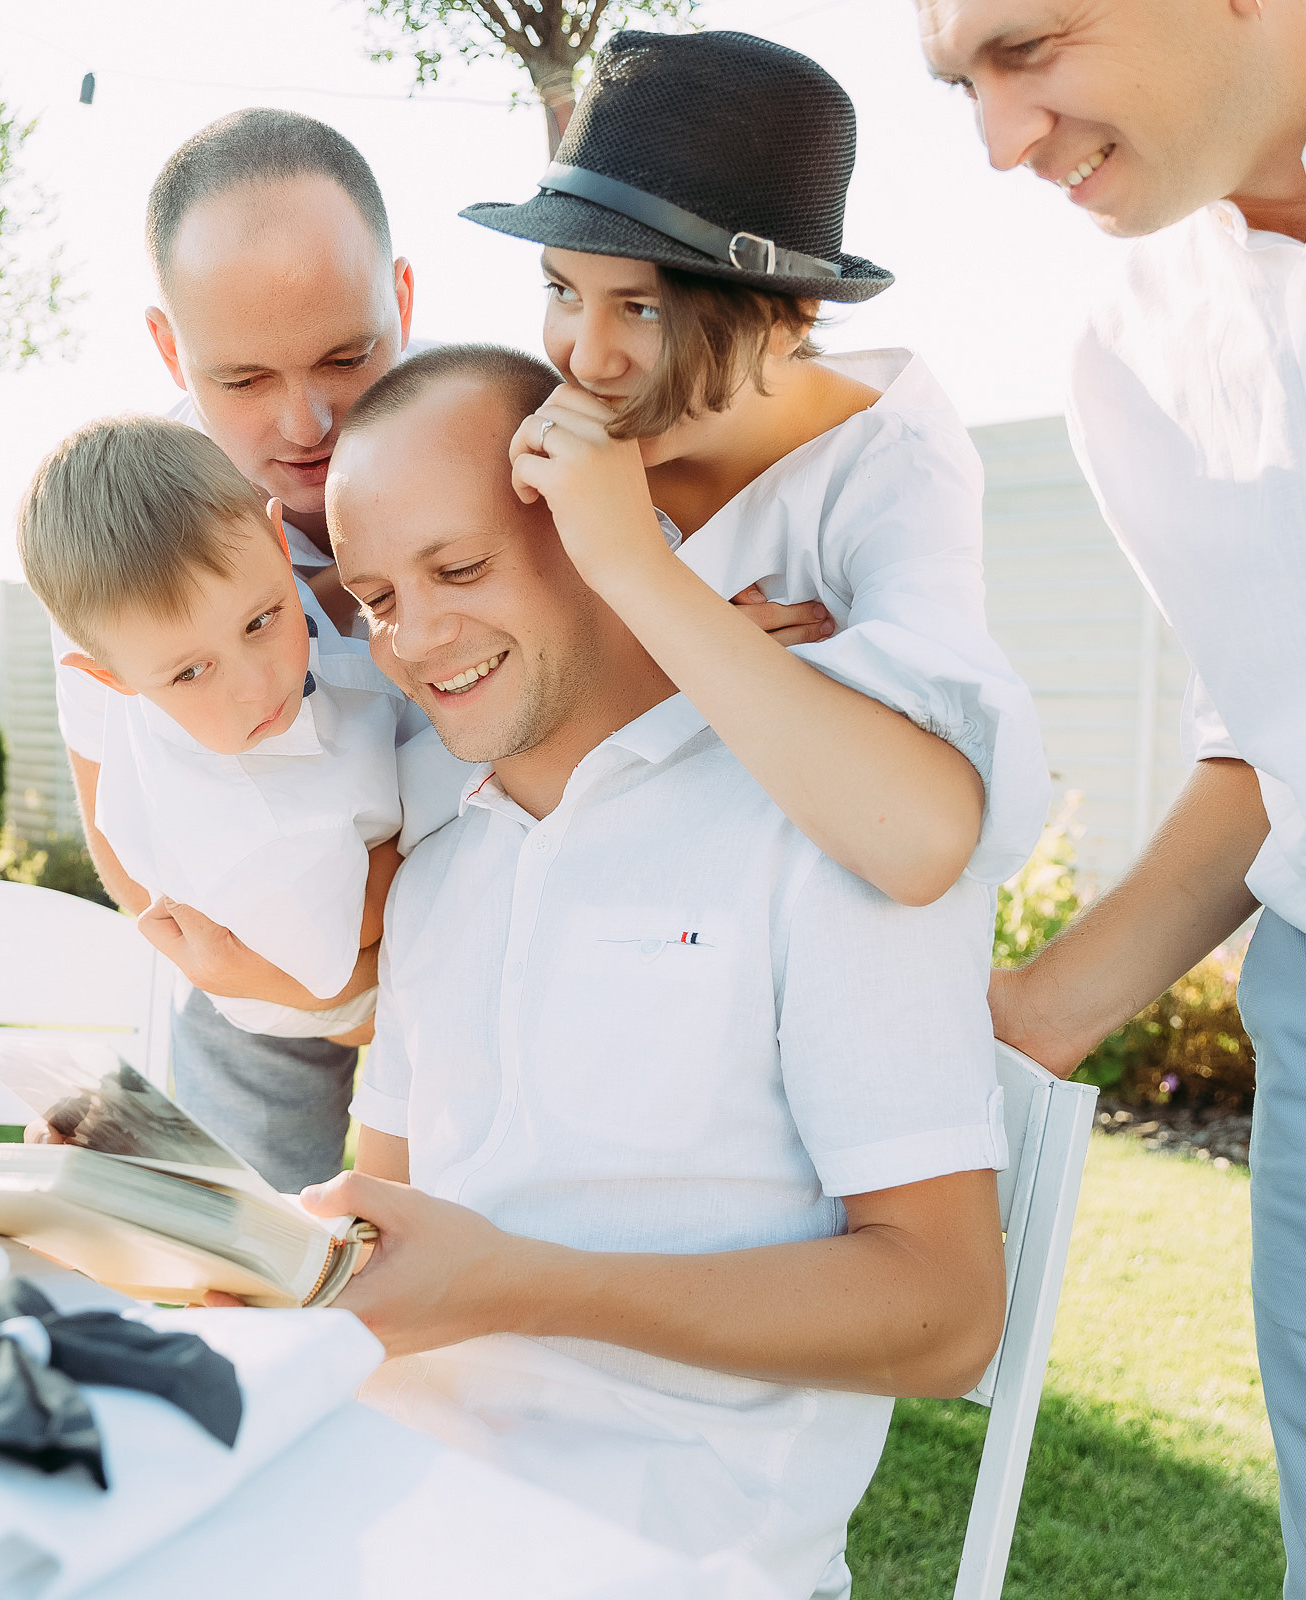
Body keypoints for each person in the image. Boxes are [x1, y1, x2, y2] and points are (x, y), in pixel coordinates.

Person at [296, 343, 1009, 1596]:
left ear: (597, 526)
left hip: (670, 1551)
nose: (415, 636)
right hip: (395, 1501)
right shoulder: (438, 870)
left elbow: (947, 1313)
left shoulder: (819, 821)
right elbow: (381, 1237)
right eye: (376, 597)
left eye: (458, 568)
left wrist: (526, 1288)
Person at [917, 1, 1306, 1588]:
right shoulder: (1133, 363)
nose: (1000, 141)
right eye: (964, 83)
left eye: (1028, 47)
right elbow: (1276, 743)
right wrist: (1029, 1013)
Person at [461, 30, 1050, 905]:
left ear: (789, 315)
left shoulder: (890, 472)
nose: (586, 356)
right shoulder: (538, 433)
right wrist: (706, 665)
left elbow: (920, 843)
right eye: (563, 291)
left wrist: (637, 569)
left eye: (643, 308)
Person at [50, 109, 418, 1189]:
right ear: (171, 349)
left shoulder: (487, 454)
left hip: (452, 933)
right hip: (246, 961)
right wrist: (258, 976)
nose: (305, 424)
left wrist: (363, 982)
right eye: (244, 380)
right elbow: (124, 826)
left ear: (401, 301)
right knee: (226, 1221)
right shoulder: (125, 540)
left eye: (347, 357)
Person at [18, 414, 460, 1041]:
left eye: (261, 622)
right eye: (191, 673)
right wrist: (415, 829)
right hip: (312, 980)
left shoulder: (199, 615)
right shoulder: (257, 837)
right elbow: (346, 955)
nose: (256, 685)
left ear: (282, 548)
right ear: (111, 679)